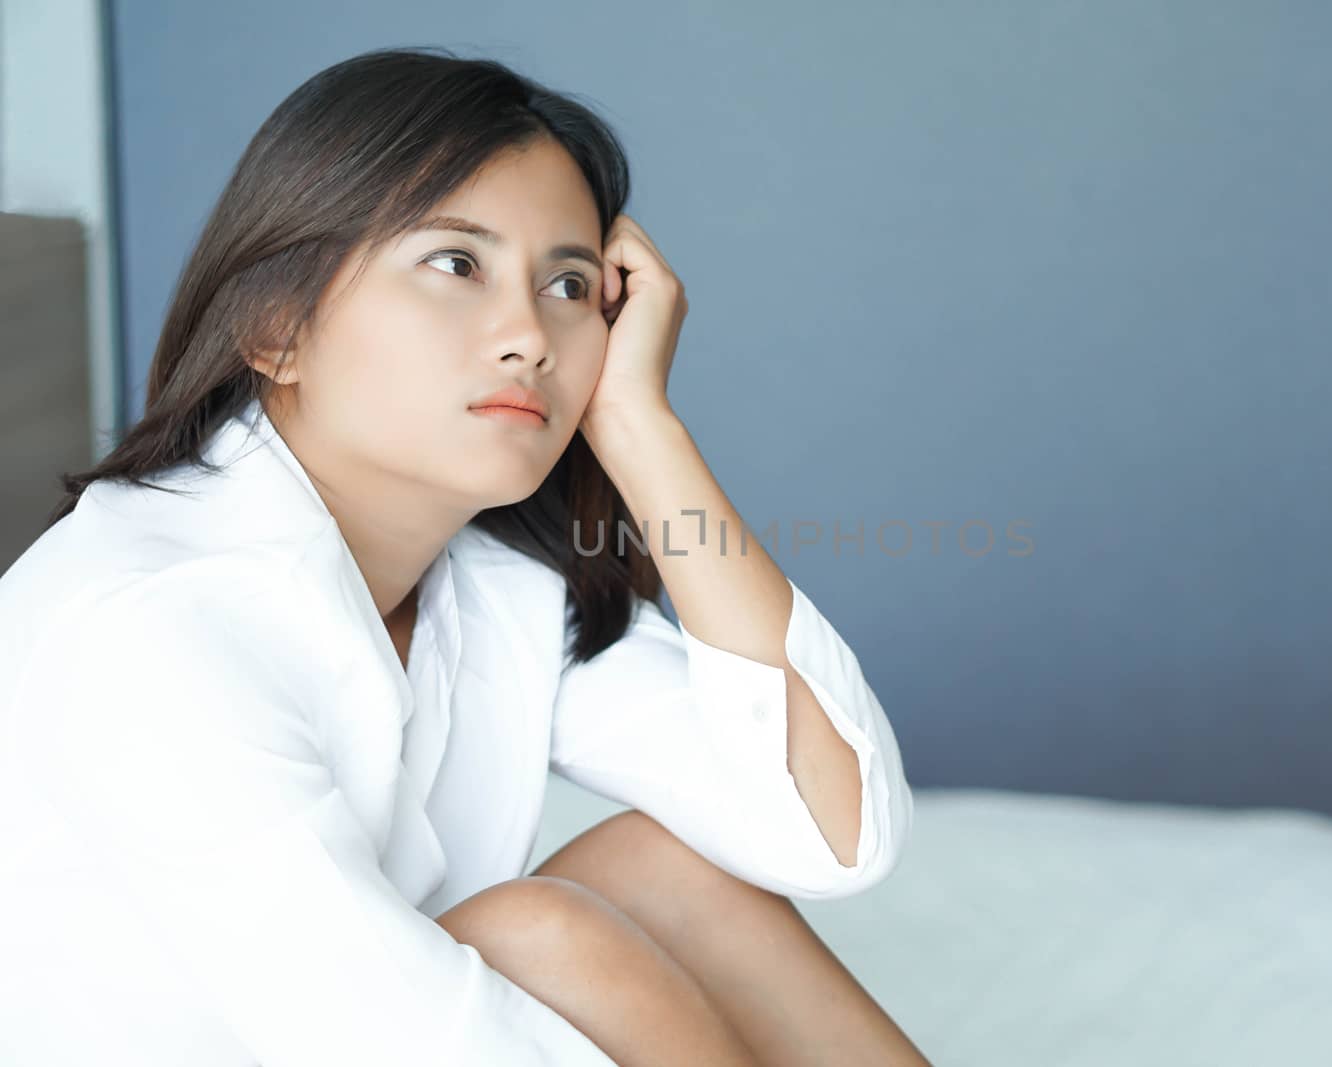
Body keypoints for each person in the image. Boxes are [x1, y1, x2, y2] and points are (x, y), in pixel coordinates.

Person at [0, 46, 924, 1067]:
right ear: (276, 326)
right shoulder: (155, 620)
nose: (529, 335)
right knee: (538, 933)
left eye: (570, 284)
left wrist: (638, 423)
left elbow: (831, 829)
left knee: (662, 869)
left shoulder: (488, 586)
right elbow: (393, 1034)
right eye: (456, 263)